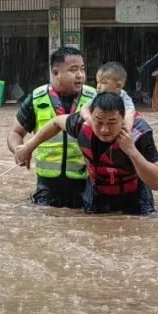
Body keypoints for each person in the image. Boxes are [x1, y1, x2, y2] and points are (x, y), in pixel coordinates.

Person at [15, 92, 158, 215]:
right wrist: (29, 147)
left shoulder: (140, 132)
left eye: (112, 122)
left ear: (123, 119)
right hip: (98, 192)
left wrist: (132, 151)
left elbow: (156, 182)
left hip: (135, 194)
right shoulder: (83, 124)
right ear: (91, 116)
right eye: (99, 121)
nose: (104, 129)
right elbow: (56, 122)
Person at [7, 46, 97, 208]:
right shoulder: (36, 98)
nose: (80, 75)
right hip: (47, 184)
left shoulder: (95, 98)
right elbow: (15, 132)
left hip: (85, 183)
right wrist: (18, 150)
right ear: (56, 73)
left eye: (82, 69)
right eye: (73, 70)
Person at [80, 61, 136, 132]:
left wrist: (125, 132)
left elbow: (130, 113)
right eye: (98, 82)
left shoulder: (124, 99)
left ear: (118, 86)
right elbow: (84, 108)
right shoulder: (98, 95)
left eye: (103, 83)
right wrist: (90, 120)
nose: (98, 86)